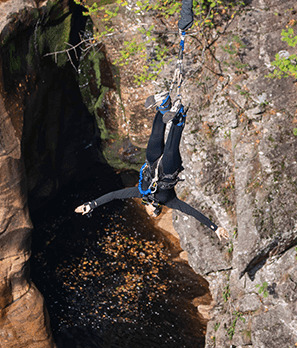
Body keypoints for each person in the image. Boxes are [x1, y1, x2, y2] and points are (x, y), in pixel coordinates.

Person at [75, 94, 229, 242]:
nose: (151, 214)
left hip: (152, 163)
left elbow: (115, 195)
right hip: (168, 171)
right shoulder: (169, 201)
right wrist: (215, 228)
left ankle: (164, 105)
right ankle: (179, 117)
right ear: (157, 210)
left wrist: (92, 204)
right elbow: (191, 211)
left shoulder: (140, 192)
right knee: (170, 148)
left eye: (150, 214)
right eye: (153, 215)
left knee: (155, 139)